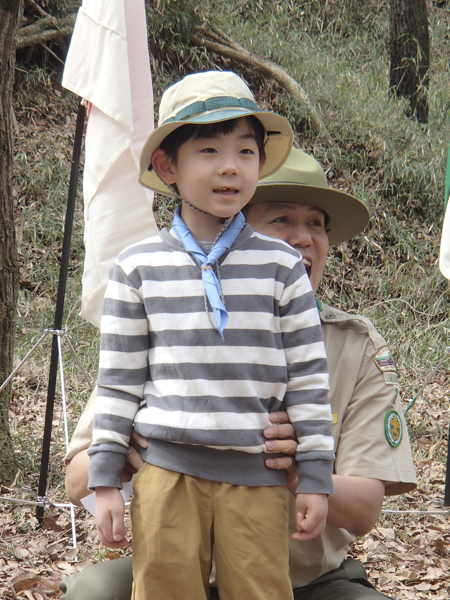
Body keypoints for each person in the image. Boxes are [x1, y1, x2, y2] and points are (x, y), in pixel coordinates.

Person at [61, 147, 417, 600]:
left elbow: (366, 508)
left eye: (316, 224)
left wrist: (295, 465)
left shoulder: (353, 345)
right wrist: (144, 448)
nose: (303, 238)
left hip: (307, 581)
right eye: (282, 220)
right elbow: (77, 480)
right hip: (186, 564)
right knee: (92, 594)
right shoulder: (173, 316)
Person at [87, 71, 335, 600]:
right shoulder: (136, 268)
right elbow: (119, 382)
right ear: (166, 165)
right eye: (208, 150)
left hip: (258, 477)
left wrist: (315, 471)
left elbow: (309, 379)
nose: (229, 166)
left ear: (260, 164)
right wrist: (105, 479)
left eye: (245, 151)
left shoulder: (281, 266)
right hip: (166, 475)